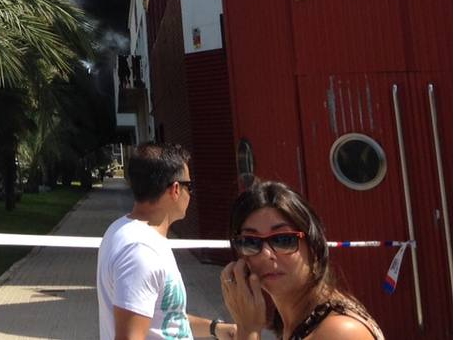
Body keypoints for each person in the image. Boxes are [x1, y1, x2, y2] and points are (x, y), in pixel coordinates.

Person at [96, 142, 234, 339]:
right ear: (175, 189)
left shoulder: (127, 231)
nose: (191, 194)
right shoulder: (141, 252)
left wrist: (216, 329)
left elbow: (165, 318)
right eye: (190, 186)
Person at [221, 180, 383, 339]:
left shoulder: (339, 332)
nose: (265, 254)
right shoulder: (298, 319)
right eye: (250, 242)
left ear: (313, 245)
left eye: (283, 240)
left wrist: (247, 330)